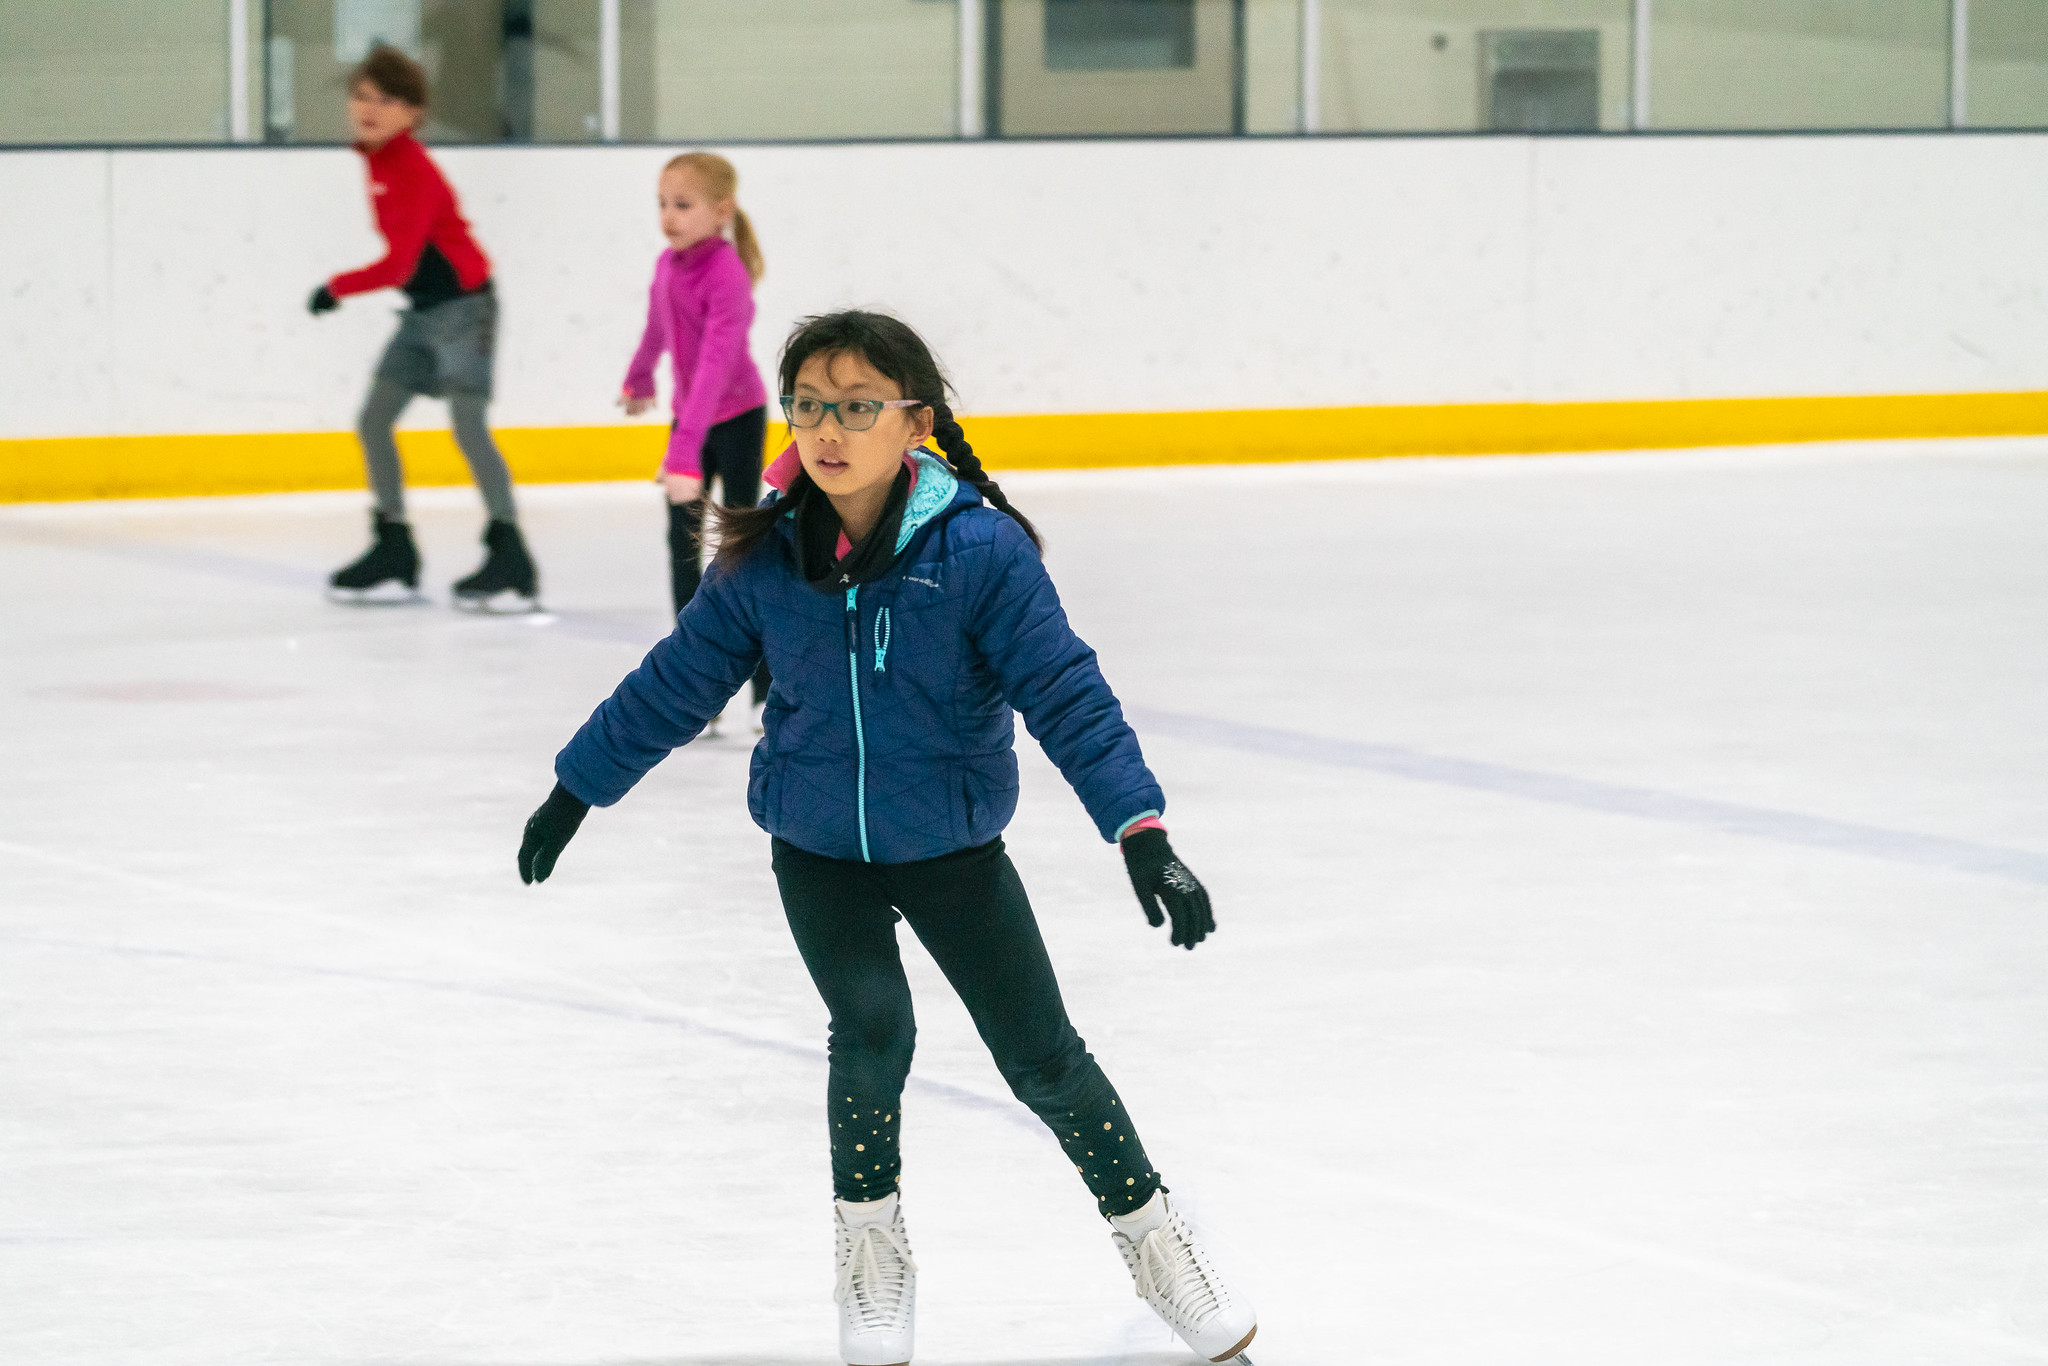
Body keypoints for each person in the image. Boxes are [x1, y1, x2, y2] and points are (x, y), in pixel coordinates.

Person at [517, 311, 1259, 1366]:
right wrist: (575, 788)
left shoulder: (977, 552)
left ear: (914, 422)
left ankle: (1153, 1237)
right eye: (808, 405)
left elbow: (1065, 693)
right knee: (871, 1032)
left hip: (951, 847)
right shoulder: (767, 554)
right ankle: (870, 1251)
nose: (827, 429)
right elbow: (676, 681)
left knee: (1042, 1057)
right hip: (816, 848)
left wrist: (1138, 829)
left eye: (856, 407)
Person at [311, 43, 538, 611]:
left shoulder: (410, 168)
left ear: (412, 113)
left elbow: (401, 264)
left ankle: (509, 550)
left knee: (466, 425)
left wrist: (335, 287)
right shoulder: (378, 160)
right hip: (422, 313)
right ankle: (393, 544)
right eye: (361, 96)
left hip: (464, 308)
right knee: (373, 419)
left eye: (386, 99)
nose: (370, 108)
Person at [618, 151, 771, 724]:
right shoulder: (667, 264)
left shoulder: (727, 276)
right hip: (690, 420)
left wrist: (683, 447)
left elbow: (715, 365)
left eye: (683, 205)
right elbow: (657, 326)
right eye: (662, 203)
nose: (669, 216)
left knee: (742, 551)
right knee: (681, 545)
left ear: (721, 210)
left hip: (733, 419)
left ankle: (765, 686)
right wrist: (639, 373)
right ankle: (694, 687)